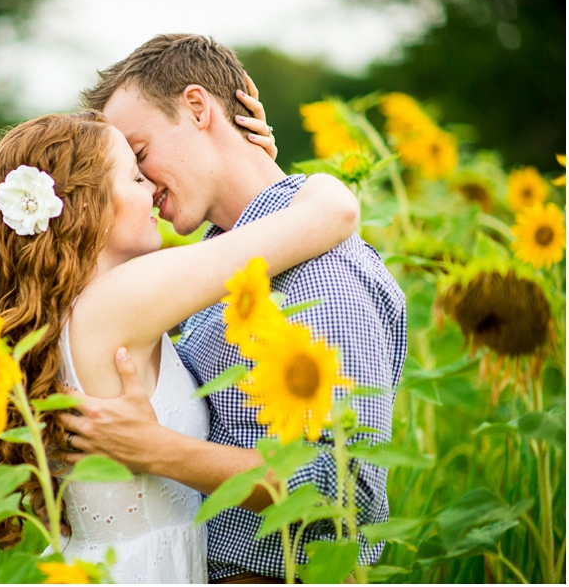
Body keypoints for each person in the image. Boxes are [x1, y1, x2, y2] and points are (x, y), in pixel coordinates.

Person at [0, 81, 359, 581]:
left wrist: (239, 167)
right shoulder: (119, 302)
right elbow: (333, 213)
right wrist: (268, 175)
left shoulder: (71, 311)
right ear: (86, 206)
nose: (152, 190)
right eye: (135, 177)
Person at [56, 34, 407, 583]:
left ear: (198, 108)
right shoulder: (221, 264)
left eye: (140, 154)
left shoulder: (324, 275)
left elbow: (346, 490)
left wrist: (159, 450)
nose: (143, 185)